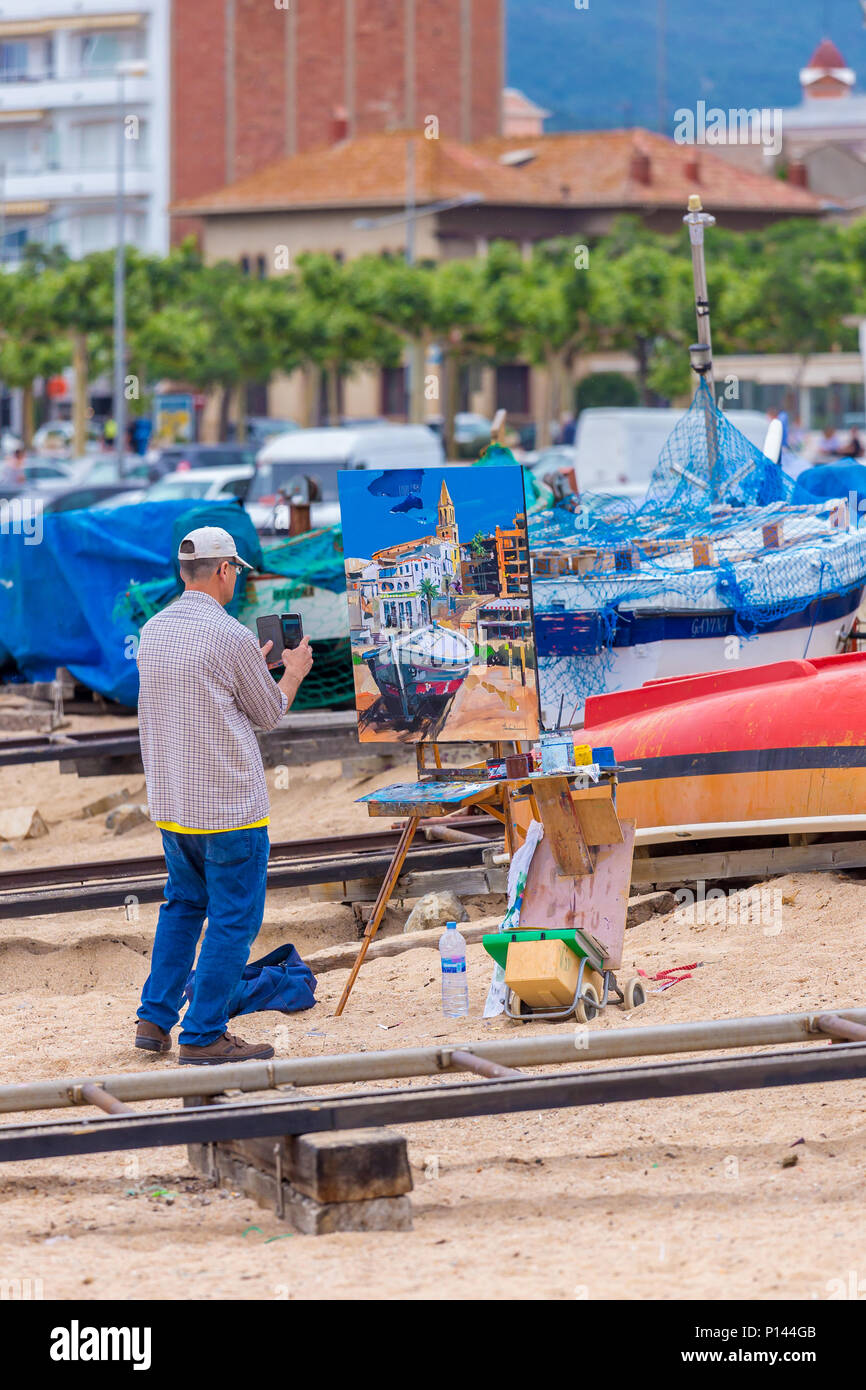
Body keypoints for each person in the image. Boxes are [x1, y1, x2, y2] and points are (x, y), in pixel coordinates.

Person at [134, 525, 313, 1064]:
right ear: (223, 570)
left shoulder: (154, 631)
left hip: (173, 805)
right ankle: (203, 1034)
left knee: (183, 906)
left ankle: (154, 1019)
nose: (235, 577)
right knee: (235, 918)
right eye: (235, 569)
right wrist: (294, 672)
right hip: (228, 808)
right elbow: (269, 713)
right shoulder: (230, 635)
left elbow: (201, 694)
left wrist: (250, 672)